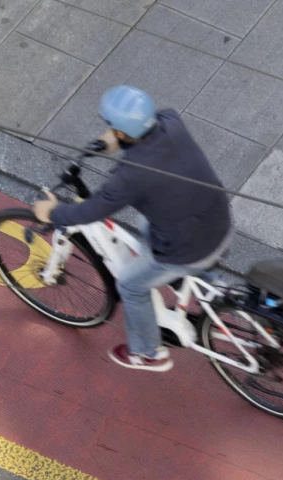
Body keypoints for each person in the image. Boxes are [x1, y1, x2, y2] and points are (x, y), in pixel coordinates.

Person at [33, 85, 232, 372]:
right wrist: (112, 141)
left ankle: (148, 353)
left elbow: (89, 211)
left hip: (190, 249)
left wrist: (52, 213)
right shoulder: (171, 121)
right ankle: (210, 283)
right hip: (219, 222)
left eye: (111, 127)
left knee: (130, 285)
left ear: (122, 132)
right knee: (146, 222)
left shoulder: (130, 176)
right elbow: (146, 131)